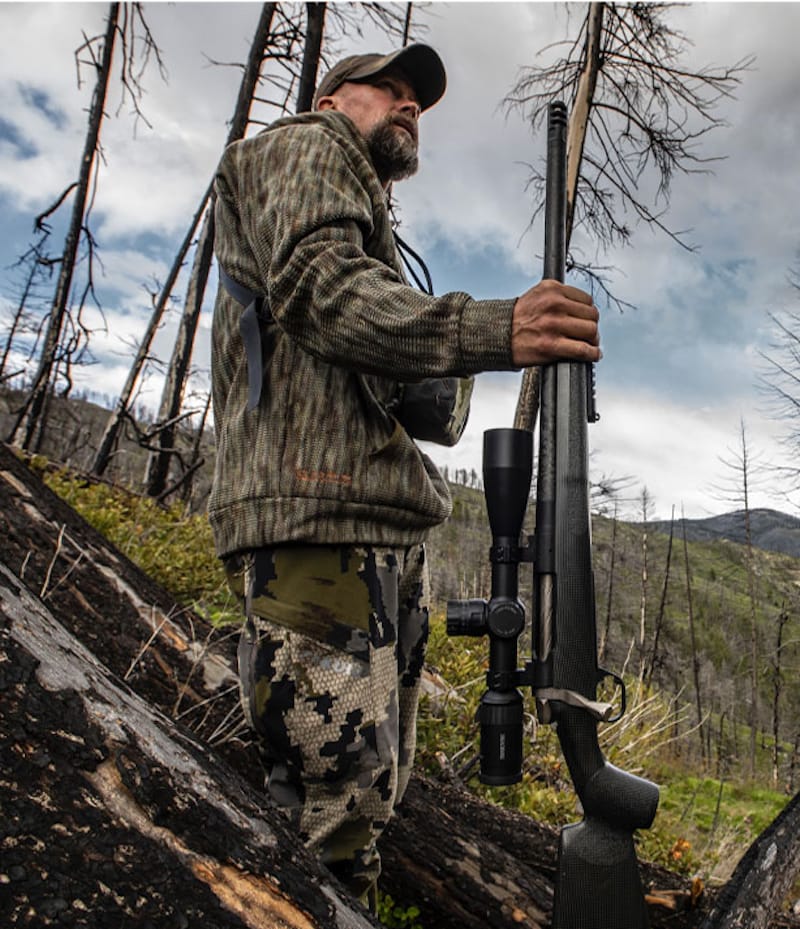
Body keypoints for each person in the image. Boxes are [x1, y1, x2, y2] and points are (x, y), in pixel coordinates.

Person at [208, 43, 600, 907]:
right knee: (327, 815)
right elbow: (322, 290)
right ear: (329, 97)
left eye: (417, 96)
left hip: (370, 529)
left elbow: (418, 397)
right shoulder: (304, 147)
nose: (408, 103)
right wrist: (493, 329)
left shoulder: (365, 215)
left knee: (364, 799)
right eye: (385, 86)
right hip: (318, 521)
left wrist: (445, 362)